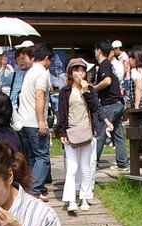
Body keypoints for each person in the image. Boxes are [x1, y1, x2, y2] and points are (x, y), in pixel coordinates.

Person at [55, 57, 105, 214]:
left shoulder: (89, 89)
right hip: (71, 132)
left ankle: (85, 197)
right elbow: (61, 112)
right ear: (70, 72)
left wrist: (86, 90)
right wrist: (61, 131)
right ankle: (70, 200)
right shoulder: (65, 91)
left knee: (86, 167)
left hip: (87, 132)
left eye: (82, 70)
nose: (80, 73)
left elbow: (95, 107)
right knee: (72, 167)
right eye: (76, 70)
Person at [17, 43, 53, 200]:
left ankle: (29, 187)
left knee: (32, 157)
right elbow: (39, 96)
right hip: (34, 122)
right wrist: (42, 121)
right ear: (46, 58)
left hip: (23, 121)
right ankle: (34, 191)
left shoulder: (29, 72)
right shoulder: (42, 73)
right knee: (42, 157)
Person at [93, 40, 128, 171]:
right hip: (118, 103)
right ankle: (123, 162)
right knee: (117, 133)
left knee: (101, 132)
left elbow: (107, 81)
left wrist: (94, 88)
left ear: (99, 50)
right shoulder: (110, 65)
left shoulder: (104, 64)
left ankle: (92, 161)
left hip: (110, 104)